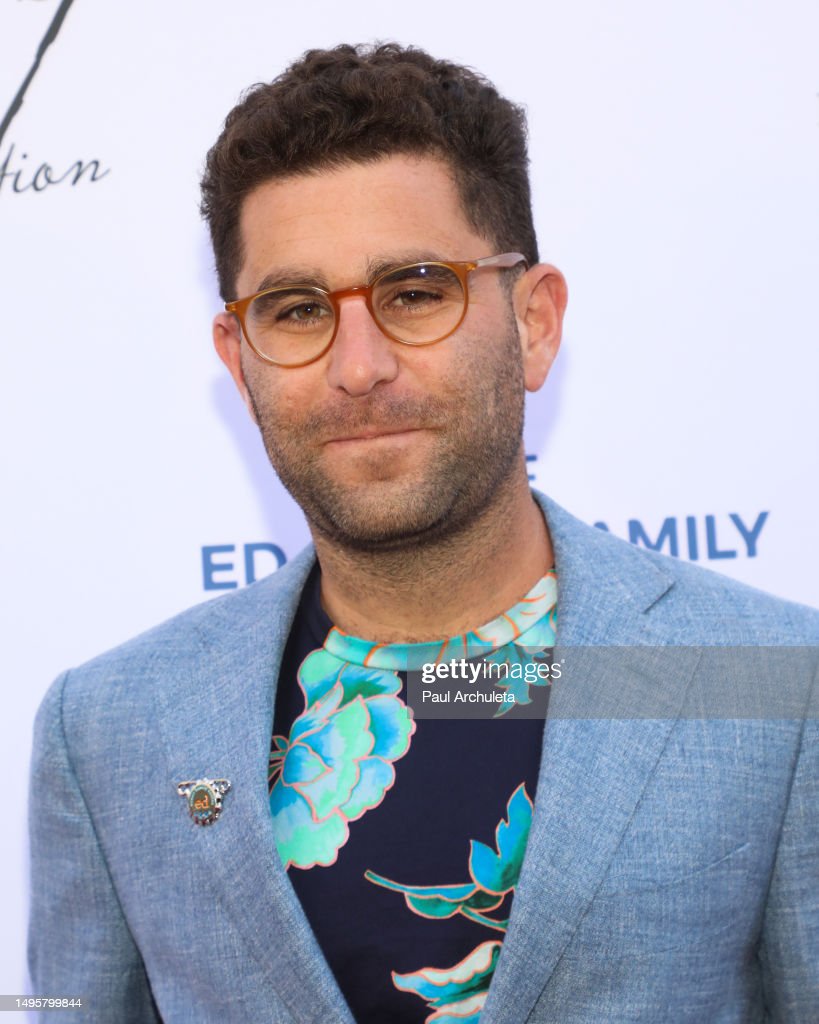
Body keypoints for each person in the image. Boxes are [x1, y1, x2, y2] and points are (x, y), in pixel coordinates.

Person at [28, 42, 818, 1024]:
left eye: (413, 291)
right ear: (239, 362)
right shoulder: (109, 731)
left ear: (534, 322)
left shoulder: (772, 687)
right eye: (297, 308)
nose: (358, 366)